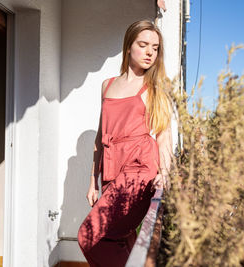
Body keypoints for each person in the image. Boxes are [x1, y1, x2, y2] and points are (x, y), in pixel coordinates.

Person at [77, 20, 173, 267]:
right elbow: (101, 137)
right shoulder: (107, 85)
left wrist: (165, 172)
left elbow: (163, 135)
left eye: (155, 47)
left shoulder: (154, 88)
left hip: (140, 168)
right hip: (111, 167)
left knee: (88, 236)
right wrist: (92, 182)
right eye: (143, 45)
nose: (150, 52)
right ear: (128, 46)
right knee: (119, 237)